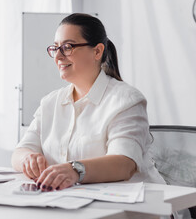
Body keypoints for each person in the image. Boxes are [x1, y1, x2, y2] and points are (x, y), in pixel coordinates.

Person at [11, 13, 165, 192]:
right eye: (55, 48)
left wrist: (75, 170)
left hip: (136, 206)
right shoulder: (50, 103)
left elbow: (124, 163)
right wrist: (28, 159)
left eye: (67, 47)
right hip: (74, 202)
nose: (58, 56)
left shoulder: (126, 100)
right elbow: (19, 152)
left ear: (97, 51)